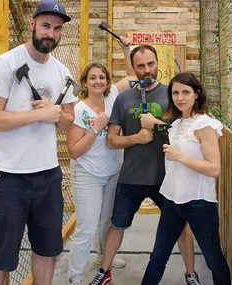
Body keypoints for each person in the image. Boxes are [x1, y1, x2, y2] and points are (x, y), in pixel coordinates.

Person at [0, 1, 77, 284]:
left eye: (57, 29)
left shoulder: (62, 71)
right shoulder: (5, 64)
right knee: (2, 257)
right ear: (32, 24)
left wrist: (55, 114)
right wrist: (36, 115)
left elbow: (69, 119)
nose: (52, 34)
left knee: (47, 251)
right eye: (46, 26)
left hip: (47, 175)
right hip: (6, 176)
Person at [89, 45, 199, 285]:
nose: (147, 70)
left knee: (182, 228)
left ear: (157, 62)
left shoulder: (173, 95)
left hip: (166, 177)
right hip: (131, 178)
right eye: (140, 66)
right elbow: (111, 140)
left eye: (150, 64)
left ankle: (191, 274)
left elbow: (184, 134)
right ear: (134, 68)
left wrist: (156, 123)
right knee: (116, 226)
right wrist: (136, 138)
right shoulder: (124, 98)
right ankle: (104, 272)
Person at [141, 72, 231, 285]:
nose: (180, 97)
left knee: (214, 261)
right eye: (175, 93)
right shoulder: (178, 124)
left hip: (199, 202)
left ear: (197, 94)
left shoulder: (205, 125)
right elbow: (162, 126)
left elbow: (214, 168)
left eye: (185, 92)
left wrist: (180, 156)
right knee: (157, 258)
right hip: (172, 200)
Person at [66, 36, 136, 285]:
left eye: (102, 77)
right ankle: (75, 277)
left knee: (106, 221)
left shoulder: (112, 97)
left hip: (112, 171)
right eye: (93, 77)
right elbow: (74, 151)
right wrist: (95, 129)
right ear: (85, 82)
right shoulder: (78, 110)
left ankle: (101, 258)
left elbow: (132, 77)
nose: (98, 81)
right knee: (85, 228)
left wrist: (126, 50)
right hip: (87, 173)